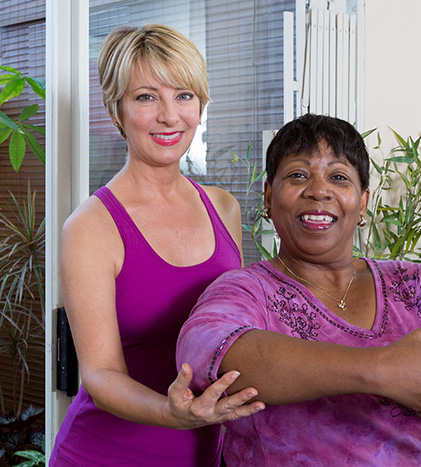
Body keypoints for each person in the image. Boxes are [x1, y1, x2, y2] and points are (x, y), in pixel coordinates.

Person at [177, 113, 421, 466]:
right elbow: (207, 352)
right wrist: (384, 370)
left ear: (363, 203)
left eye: (339, 177)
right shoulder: (247, 289)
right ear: (268, 196)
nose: (319, 190)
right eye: (298, 175)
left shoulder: (409, 281)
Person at [50, 24, 264, 466]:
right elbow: (99, 373)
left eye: (184, 95)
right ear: (117, 110)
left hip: (206, 453)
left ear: (201, 105)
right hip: (108, 454)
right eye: (147, 97)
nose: (170, 116)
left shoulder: (223, 207)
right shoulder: (91, 227)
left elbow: (234, 328)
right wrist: (171, 413)